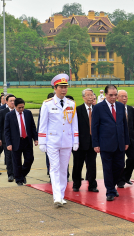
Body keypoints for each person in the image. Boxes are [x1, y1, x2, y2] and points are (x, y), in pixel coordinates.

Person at [38, 74, 79, 206]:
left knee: (63, 169)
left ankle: (61, 195)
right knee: (54, 168)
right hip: (52, 141)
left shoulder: (71, 104)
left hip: (66, 141)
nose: (64, 90)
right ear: (55, 88)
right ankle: (56, 197)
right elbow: (43, 124)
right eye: (61, 87)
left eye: (65, 87)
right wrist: (42, 141)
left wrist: (75, 140)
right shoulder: (48, 104)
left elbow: (74, 124)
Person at [92, 84, 129, 201]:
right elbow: (94, 127)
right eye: (110, 95)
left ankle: (112, 187)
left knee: (120, 166)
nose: (113, 97)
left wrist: (126, 141)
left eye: (115, 95)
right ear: (105, 95)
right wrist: (95, 144)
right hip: (105, 144)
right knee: (107, 168)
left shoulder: (121, 106)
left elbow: (124, 125)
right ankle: (110, 191)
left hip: (120, 143)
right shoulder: (98, 108)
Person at [4, 98, 38, 186]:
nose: (21, 109)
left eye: (23, 107)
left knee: (30, 159)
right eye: (19, 108)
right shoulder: (9, 115)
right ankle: (19, 179)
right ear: (15, 106)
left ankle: (22, 174)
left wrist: (35, 138)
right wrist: (8, 143)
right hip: (16, 142)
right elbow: (6, 131)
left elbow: (32, 127)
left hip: (27, 141)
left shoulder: (28, 113)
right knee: (16, 162)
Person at [72, 88, 98, 193]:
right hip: (80, 143)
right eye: (88, 95)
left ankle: (92, 185)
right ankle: (76, 184)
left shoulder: (97, 109)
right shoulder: (78, 110)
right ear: (83, 97)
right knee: (78, 165)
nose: (90, 97)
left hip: (93, 143)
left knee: (92, 165)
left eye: (91, 95)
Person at [117, 90, 134, 188]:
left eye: (126, 96)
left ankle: (126, 176)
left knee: (132, 158)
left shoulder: (130, 109)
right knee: (120, 161)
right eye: (122, 96)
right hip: (119, 140)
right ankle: (120, 180)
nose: (124, 98)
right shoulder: (115, 109)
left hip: (131, 139)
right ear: (117, 97)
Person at [0, 94, 16, 182]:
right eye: (10, 101)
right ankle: (10, 174)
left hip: (17, 139)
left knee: (17, 157)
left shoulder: (19, 111)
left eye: (14, 101)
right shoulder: (2, 111)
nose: (12, 102)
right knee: (8, 157)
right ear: (6, 102)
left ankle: (18, 173)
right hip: (6, 138)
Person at [38, 92, 55, 177]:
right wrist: (41, 138)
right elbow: (41, 123)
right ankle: (49, 170)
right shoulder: (45, 107)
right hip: (48, 136)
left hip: (57, 137)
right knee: (49, 155)